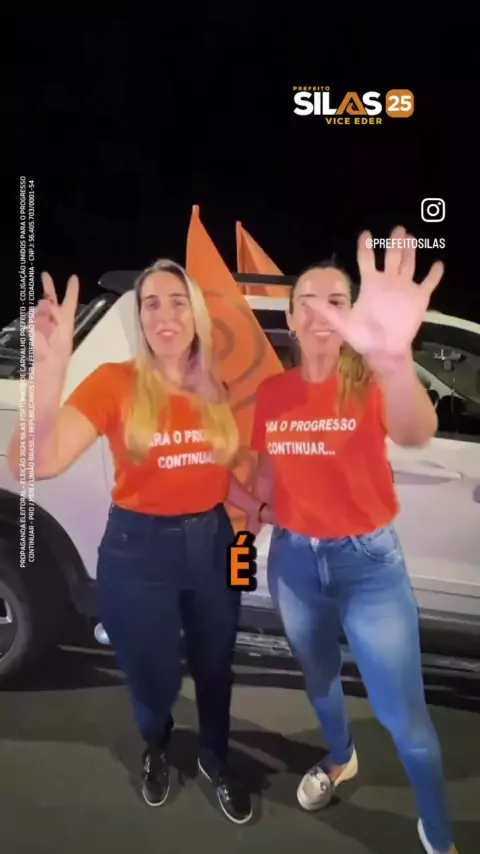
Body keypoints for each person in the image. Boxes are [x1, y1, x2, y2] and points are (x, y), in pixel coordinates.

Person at [8, 259, 275, 825]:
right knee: (150, 669)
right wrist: (49, 374)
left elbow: (213, 467)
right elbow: (34, 463)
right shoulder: (114, 382)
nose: (164, 314)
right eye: (151, 303)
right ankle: (157, 742)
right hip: (137, 548)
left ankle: (215, 758)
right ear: (140, 317)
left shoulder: (215, 384)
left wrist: (251, 505)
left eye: (177, 301)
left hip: (214, 542)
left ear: (195, 315)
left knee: (215, 663)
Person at [249, 227, 459, 854]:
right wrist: (236, 546)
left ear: (354, 315)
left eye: (337, 301)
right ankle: (341, 758)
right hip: (293, 562)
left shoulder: (371, 379)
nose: (321, 313)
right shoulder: (272, 393)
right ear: (290, 318)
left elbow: (416, 430)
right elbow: (264, 483)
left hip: (367, 565)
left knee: (405, 717)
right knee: (318, 677)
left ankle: (438, 835)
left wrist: (395, 360)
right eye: (308, 301)